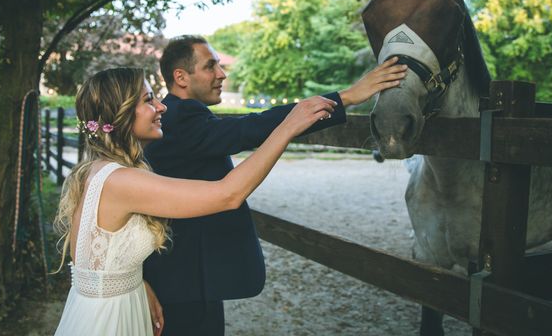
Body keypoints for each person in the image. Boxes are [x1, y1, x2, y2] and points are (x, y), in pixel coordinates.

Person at [143, 35, 407, 335]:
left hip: (186, 273)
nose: (222, 74)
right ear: (181, 77)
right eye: (210, 66)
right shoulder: (180, 117)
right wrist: (346, 96)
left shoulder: (178, 116)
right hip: (183, 281)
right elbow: (249, 127)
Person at [53, 67, 340, 336]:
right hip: (110, 320)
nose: (162, 106)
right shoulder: (121, 180)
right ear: (122, 113)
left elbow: (89, 257)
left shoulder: (96, 170)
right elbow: (228, 194)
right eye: (148, 100)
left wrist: (135, 282)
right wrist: (287, 127)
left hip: (113, 303)